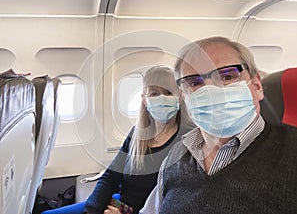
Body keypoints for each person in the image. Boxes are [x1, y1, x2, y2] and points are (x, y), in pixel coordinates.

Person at [140, 37, 297, 214]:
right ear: (184, 98)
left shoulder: (294, 150)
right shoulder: (176, 155)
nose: (210, 90)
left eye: (227, 76)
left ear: (256, 86)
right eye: (195, 83)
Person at [41, 65, 194, 214]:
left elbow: (178, 200)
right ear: (144, 99)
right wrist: (91, 210)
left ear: (180, 96)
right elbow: (110, 177)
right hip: (120, 203)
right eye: (154, 93)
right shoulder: (137, 134)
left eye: (168, 93)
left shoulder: (187, 140)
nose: (161, 99)